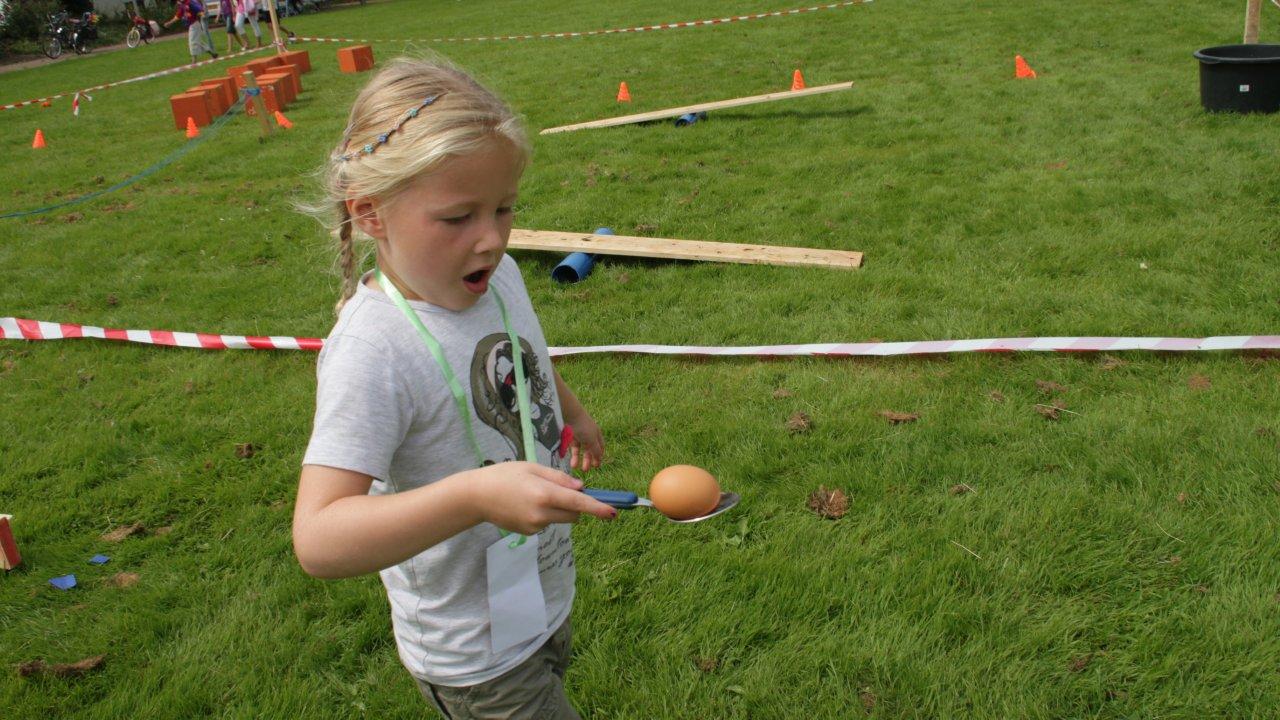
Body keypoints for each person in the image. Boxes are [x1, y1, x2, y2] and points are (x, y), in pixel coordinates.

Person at [293, 57, 617, 719]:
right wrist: (474, 495)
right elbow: (319, 538)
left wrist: (572, 412)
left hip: (540, 595)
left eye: (504, 209)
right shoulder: (373, 350)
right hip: (474, 655)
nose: (492, 239)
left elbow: (522, 355)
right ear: (372, 214)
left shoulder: (495, 278)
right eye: (458, 217)